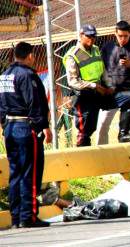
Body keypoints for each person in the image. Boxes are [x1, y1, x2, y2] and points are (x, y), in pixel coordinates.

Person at [0, 42, 52, 228]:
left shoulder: (4, 76)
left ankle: (15, 218)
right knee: (29, 173)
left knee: (15, 173)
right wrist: (43, 126)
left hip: (10, 129)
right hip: (25, 127)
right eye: (34, 56)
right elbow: (35, 103)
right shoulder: (28, 75)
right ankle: (28, 217)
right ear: (30, 55)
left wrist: (4, 125)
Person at [63, 24, 130, 146]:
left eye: (94, 36)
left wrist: (109, 86)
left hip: (100, 93)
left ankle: (124, 134)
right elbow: (73, 81)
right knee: (86, 132)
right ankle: (84, 159)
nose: (92, 39)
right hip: (84, 97)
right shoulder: (73, 55)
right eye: (89, 36)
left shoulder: (96, 49)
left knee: (127, 100)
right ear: (81, 35)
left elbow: (103, 71)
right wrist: (94, 86)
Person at [96, 20, 130, 145]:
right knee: (102, 126)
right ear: (115, 34)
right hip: (111, 92)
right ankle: (102, 157)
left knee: (129, 129)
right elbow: (100, 69)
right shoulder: (107, 48)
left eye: (126, 36)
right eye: (120, 36)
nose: (123, 39)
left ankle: (128, 160)